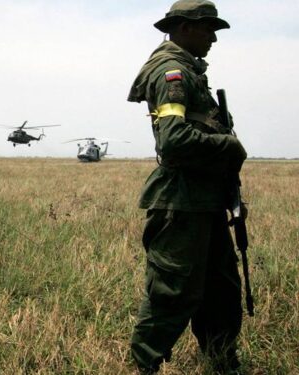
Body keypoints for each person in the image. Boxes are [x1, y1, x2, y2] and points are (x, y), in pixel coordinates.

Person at [127, 1, 249, 373]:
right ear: (183, 29)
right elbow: (173, 140)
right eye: (207, 28)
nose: (213, 37)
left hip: (204, 201)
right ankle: (142, 365)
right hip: (181, 202)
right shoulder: (172, 72)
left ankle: (221, 362)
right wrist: (228, 146)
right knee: (172, 292)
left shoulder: (191, 73)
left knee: (221, 291)